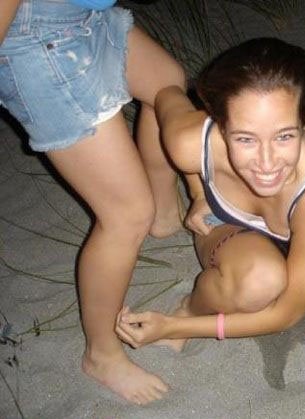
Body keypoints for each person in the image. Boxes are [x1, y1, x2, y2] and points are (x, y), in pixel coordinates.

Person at [116, 37, 305, 351]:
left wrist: (172, 328)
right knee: (259, 281)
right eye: (245, 139)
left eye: (284, 136)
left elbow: (287, 314)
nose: (267, 163)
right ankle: (191, 307)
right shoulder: (190, 142)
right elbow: (163, 95)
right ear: (219, 122)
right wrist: (199, 192)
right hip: (230, 224)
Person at [0, 0, 189, 404]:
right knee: (126, 214)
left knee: (166, 85)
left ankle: (164, 215)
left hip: (87, 18)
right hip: (37, 40)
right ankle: (101, 355)